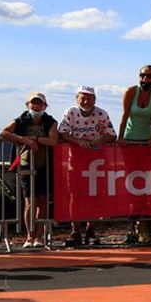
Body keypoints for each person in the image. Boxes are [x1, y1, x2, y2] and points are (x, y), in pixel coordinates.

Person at [58, 86, 116, 247]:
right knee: (75, 196)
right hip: (76, 160)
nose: (86, 101)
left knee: (95, 196)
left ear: (95, 100)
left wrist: (100, 140)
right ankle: (75, 229)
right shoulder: (70, 112)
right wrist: (78, 142)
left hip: (97, 161)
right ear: (77, 99)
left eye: (89, 98)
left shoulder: (101, 114)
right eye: (82, 98)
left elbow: (112, 134)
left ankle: (91, 229)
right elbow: (62, 132)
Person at [0, 92, 59, 249]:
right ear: (28, 105)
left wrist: (35, 139)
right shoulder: (20, 120)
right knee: (29, 202)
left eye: (39, 103)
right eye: (33, 103)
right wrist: (23, 140)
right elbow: (3, 132)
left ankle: (39, 236)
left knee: (43, 202)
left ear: (45, 106)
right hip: (25, 165)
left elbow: (53, 140)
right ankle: (29, 235)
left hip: (45, 166)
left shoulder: (50, 122)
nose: (36, 106)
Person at [119, 65, 151, 244]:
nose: (145, 79)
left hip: (146, 143)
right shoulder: (131, 91)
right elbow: (124, 115)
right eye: (142, 75)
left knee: (146, 182)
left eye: (149, 76)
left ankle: (147, 222)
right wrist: (121, 137)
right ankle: (136, 225)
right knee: (133, 182)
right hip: (130, 141)